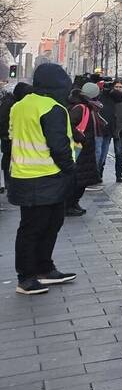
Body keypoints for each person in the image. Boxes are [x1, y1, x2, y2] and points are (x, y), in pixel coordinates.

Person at [8, 63, 76, 295]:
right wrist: (70, 169)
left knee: (38, 226)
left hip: (22, 174)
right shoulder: (53, 108)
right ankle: (27, 277)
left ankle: (43, 270)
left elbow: (10, 136)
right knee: (38, 228)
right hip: (47, 175)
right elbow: (59, 146)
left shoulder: (19, 106)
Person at [65, 83, 103, 215]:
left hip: (85, 149)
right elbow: (69, 124)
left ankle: (74, 203)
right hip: (80, 149)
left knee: (82, 180)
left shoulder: (89, 107)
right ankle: (69, 205)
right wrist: (81, 137)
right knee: (77, 180)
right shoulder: (81, 108)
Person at [98, 79, 122, 183]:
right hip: (108, 128)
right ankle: (99, 173)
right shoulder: (108, 96)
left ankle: (119, 175)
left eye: (120, 87)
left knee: (119, 153)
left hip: (120, 129)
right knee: (103, 152)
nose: (118, 89)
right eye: (116, 87)